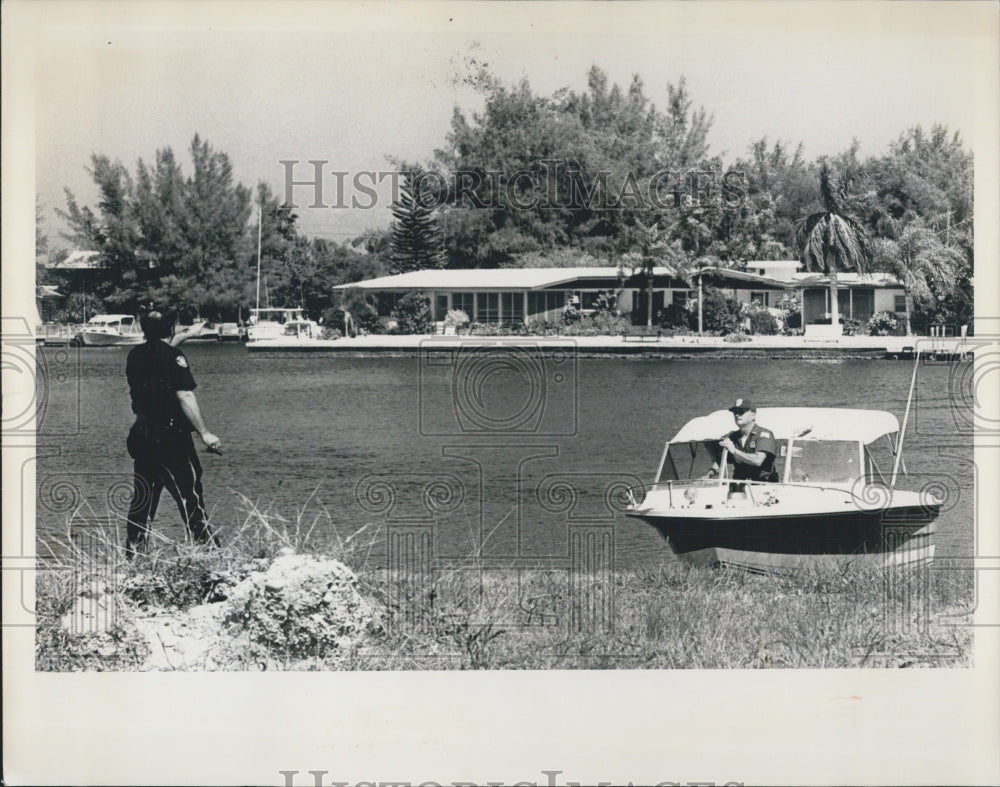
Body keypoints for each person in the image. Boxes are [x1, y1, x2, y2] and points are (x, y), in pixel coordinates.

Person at [124, 309, 222, 557]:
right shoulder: (174, 357)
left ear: (144, 330)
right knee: (189, 494)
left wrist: (187, 334)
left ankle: (134, 555)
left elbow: (158, 352)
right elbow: (185, 395)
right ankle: (206, 551)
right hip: (172, 437)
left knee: (143, 498)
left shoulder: (135, 356)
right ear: (170, 330)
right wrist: (204, 433)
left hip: (143, 434)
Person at [704, 397, 778, 483]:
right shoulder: (733, 437)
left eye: (741, 412)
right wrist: (709, 474)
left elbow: (758, 460)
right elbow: (721, 460)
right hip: (739, 486)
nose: (737, 415)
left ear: (753, 415)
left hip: (763, 485)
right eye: (735, 412)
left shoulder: (764, 435)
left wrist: (735, 451)